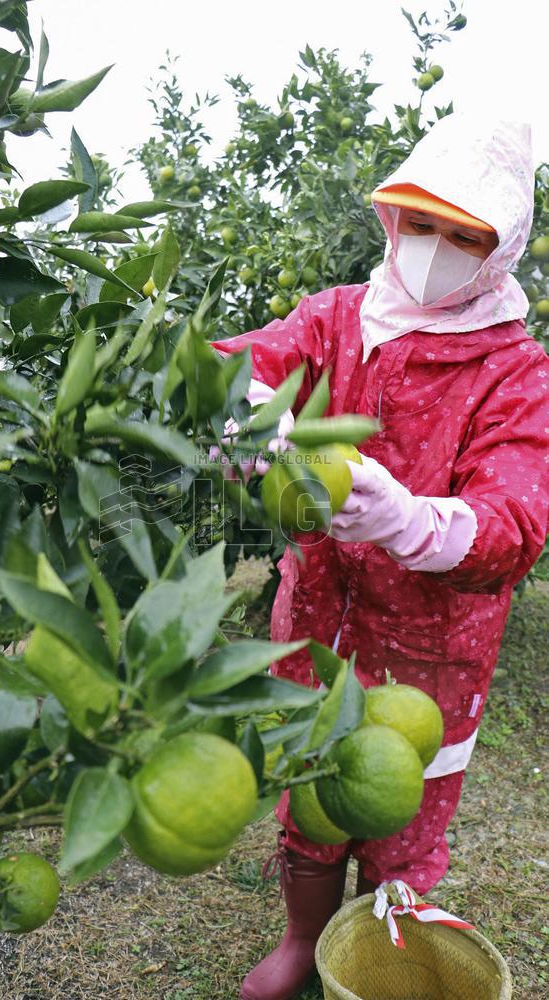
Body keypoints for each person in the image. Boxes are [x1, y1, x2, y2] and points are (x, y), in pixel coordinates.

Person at [211, 113, 549, 1000]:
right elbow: (237, 363)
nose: (434, 248)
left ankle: (376, 950)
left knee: (402, 816)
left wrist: (413, 522)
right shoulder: (338, 319)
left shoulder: (515, 370)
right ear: (392, 218)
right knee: (311, 803)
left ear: (500, 247)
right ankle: (301, 941)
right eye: (421, 222)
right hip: (318, 626)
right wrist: (243, 413)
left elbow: (516, 517)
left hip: (433, 659)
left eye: (462, 234)